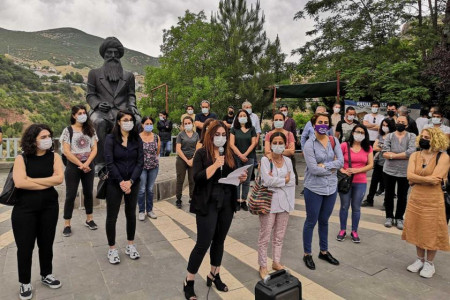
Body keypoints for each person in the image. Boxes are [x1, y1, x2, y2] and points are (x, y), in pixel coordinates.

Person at [183, 120, 247, 300]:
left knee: (219, 241)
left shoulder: (228, 154)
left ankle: (214, 273)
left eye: (224, 135)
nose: (221, 138)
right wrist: (214, 164)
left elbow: (230, 175)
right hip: (207, 202)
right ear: (210, 136)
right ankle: (189, 281)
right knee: (203, 243)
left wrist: (240, 178)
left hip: (226, 201)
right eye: (217, 135)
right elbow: (197, 177)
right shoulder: (201, 153)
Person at [12, 124, 64, 300]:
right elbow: (19, 183)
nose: (47, 139)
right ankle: (24, 282)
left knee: (46, 243)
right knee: (25, 247)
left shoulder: (54, 157)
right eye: (43, 137)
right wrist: (47, 182)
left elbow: (59, 179)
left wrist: (32, 181)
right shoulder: (22, 158)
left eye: (49, 136)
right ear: (32, 139)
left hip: (49, 207)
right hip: (24, 210)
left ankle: (46, 274)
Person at [86, 37, 141, 172]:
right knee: (99, 123)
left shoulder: (128, 76)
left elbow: (131, 95)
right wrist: (98, 104)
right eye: (109, 53)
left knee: (138, 121)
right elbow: (90, 95)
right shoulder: (94, 73)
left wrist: (133, 107)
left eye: (116, 53)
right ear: (104, 54)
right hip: (100, 111)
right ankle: (101, 162)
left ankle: (134, 159)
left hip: (122, 110)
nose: (112, 56)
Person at [402, 127, 450, 278]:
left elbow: (436, 179)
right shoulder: (415, 155)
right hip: (416, 198)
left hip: (434, 200)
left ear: (435, 140)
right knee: (417, 228)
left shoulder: (443, 157)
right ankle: (420, 259)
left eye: (427, 138)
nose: (424, 140)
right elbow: (409, 175)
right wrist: (426, 180)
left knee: (431, 230)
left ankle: (430, 263)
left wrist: (417, 178)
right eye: (422, 137)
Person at [302, 113, 344, 270]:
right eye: (320, 122)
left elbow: (340, 162)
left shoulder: (334, 140)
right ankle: (307, 253)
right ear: (314, 124)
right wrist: (331, 168)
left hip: (331, 188)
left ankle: (324, 251)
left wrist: (324, 166)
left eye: (326, 122)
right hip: (314, 188)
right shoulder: (309, 145)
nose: (323, 125)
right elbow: (313, 169)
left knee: (324, 221)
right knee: (311, 221)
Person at [104, 110, 144, 264]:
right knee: (112, 216)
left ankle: (130, 245)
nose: (128, 122)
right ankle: (112, 248)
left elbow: (140, 162)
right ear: (119, 122)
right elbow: (109, 162)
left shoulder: (136, 139)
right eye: (125, 119)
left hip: (133, 183)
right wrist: (121, 181)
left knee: (131, 214)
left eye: (131, 119)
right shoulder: (110, 139)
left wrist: (131, 181)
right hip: (115, 183)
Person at [258, 132, 295, 279]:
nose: (278, 146)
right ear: (270, 144)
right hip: (269, 203)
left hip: (285, 203)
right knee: (265, 236)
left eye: (281, 143)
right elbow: (266, 181)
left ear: (285, 144)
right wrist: (283, 181)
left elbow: (292, 180)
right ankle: (262, 265)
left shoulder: (288, 161)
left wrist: (278, 181)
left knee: (279, 236)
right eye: (275, 143)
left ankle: (276, 262)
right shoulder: (265, 160)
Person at [61, 105, 98, 237]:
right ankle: (67, 223)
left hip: (88, 165)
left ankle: (89, 219)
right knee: (70, 194)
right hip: (73, 166)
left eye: (84, 112)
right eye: (79, 113)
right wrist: (80, 164)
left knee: (88, 192)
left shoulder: (91, 130)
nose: (82, 115)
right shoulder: (68, 131)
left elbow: (94, 148)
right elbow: (66, 151)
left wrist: (87, 163)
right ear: (74, 116)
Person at [336, 125, 373, 243]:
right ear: (352, 133)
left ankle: (354, 230)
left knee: (356, 208)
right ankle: (342, 229)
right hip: (345, 181)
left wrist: (358, 170)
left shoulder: (368, 148)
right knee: (344, 206)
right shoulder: (344, 145)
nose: (360, 134)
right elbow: (336, 159)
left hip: (360, 181)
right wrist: (342, 170)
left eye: (362, 132)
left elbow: (370, 164)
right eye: (358, 131)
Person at [382, 116, 416, 229]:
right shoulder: (389, 136)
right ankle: (389, 216)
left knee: (402, 196)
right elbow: (385, 152)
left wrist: (393, 155)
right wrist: (402, 155)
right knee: (389, 195)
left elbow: (411, 152)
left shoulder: (411, 136)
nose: (400, 123)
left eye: (403, 122)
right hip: (389, 171)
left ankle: (399, 218)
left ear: (407, 125)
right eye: (398, 122)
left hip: (404, 171)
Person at [362, 118, 396, 207]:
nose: (385, 127)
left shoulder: (394, 136)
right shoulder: (380, 135)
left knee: (387, 184)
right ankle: (369, 200)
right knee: (374, 182)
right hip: (378, 163)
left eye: (387, 125)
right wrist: (385, 147)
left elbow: (393, 149)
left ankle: (387, 202)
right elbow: (374, 147)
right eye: (383, 125)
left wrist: (381, 147)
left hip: (389, 163)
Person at [230, 109, 257, 211]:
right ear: (237, 118)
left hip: (249, 157)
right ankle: (237, 200)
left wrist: (245, 154)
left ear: (247, 117)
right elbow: (231, 144)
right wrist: (240, 155)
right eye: (240, 115)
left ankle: (243, 201)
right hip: (236, 157)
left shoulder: (252, 129)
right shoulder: (234, 129)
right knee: (237, 179)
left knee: (246, 179)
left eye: (244, 115)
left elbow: (253, 143)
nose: (242, 117)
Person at [138, 116, 160, 221]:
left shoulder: (156, 137)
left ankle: (150, 210)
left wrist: (153, 160)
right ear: (142, 125)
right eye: (146, 124)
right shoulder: (138, 137)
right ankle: (141, 211)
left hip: (153, 166)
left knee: (150, 189)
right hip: (141, 167)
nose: (149, 125)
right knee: (142, 189)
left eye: (151, 124)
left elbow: (157, 151)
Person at [176, 116, 199, 208]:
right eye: (185, 123)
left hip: (193, 159)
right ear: (183, 125)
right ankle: (178, 199)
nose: (187, 125)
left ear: (192, 124)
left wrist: (192, 159)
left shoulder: (196, 135)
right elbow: (178, 149)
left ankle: (192, 198)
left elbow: (198, 147)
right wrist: (186, 160)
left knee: (192, 180)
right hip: (182, 159)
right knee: (180, 180)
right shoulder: (180, 135)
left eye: (189, 123)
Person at [279, 104, 299, 185]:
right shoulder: (276, 121)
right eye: (281, 110)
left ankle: (294, 181)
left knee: (291, 166)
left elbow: (294, 133)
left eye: (285, 110)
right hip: (278, 146)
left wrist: (293, 144)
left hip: (289, 145)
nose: (283, 112)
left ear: (287, 110)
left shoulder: (291, 121)